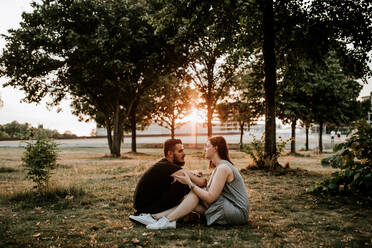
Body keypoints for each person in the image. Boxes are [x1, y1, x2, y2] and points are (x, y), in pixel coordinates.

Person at [145, 136, 249, 230]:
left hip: (237, 211)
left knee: (195, 193)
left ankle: (166, 220)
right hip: (228, 208)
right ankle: (156, 217)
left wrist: (190, 183)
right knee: (188, 201)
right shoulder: (219, 167)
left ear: (215, 148)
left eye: (207, 146)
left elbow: (210, 197)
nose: (205, 149)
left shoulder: (223, 168)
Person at [129, 139, 207, 226]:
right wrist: (195, 177)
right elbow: (202, 182)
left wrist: (192, 175)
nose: (184, 154)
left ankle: (204, 213)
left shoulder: (164, 165)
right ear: (170, 153)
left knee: (185, 183)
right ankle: (155, 217)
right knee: (186, 184)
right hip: (145, 211)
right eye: (180, 151)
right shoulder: (167, 166)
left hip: (145, 207)